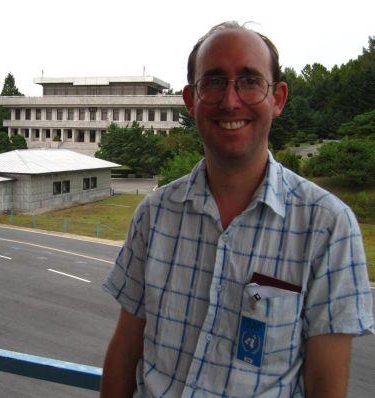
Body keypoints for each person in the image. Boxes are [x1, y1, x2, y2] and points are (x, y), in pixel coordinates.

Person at [101, 21, 374, 397]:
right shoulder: (153, 215)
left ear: (277, 98)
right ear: (190, 100)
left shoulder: (327, 226)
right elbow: (124, 350)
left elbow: (326, 386)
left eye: (249, 80)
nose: (230, 100)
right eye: (213, 82)